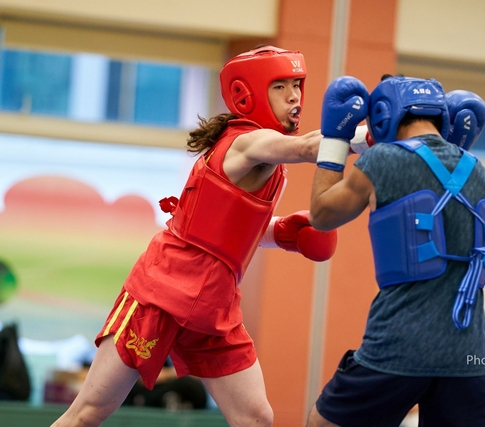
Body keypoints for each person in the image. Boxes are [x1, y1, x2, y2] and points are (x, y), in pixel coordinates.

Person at [51, 45, 342, 427]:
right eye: (280, 86)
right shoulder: (247, 142)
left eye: (297, 85)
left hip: (213, 306)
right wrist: (374, 135)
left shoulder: (265, 159)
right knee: (89, 413)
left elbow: (224, 236)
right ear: (247, 94)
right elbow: (306, 147)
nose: (294, 96)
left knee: (256, 418)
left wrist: (284, 234)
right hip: (162, 292)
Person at [306, 74, 485, 427]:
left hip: (398, 345)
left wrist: (335, 139)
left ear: (384, 115)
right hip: (472, 354)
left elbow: (321, 215)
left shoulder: (383, 160)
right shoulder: (478, 171)